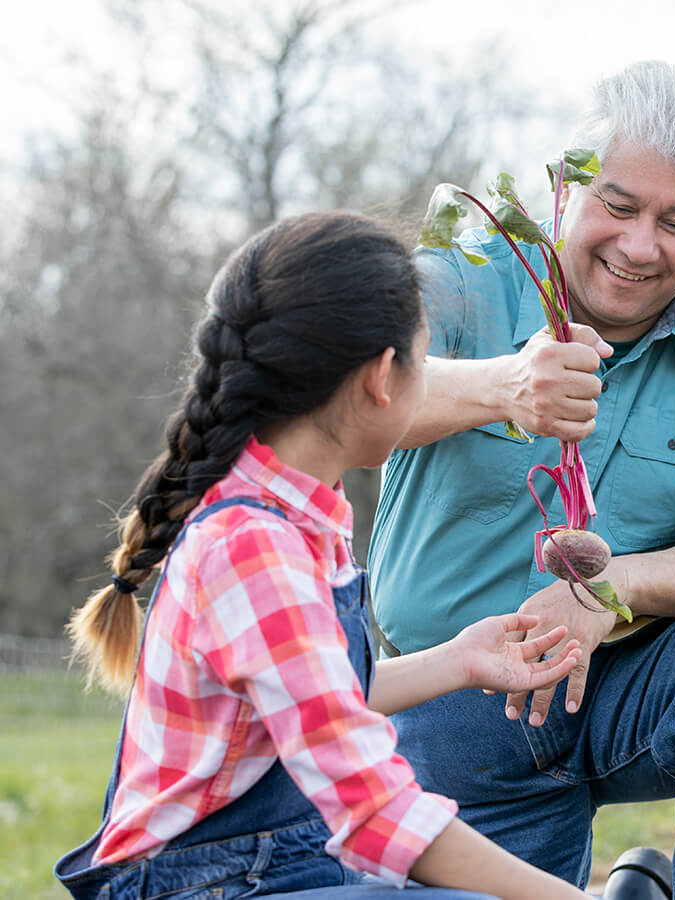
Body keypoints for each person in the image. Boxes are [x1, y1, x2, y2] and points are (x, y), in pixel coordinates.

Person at [55, 211, 596, 900]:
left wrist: (460, 660)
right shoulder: (257, 551)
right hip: (204, 884)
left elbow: (309, 696)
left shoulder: (294, 513)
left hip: (275, 868)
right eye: (423, 363)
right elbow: (376, 811)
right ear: (380, 377)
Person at [369, 61, 675, 900]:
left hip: (629, 686)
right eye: (617, 204)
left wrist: (613, 589)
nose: (640, 246)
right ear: (568, 191)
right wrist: (503, 386)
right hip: (455, 694)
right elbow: (353, 397)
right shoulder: (466, 277)